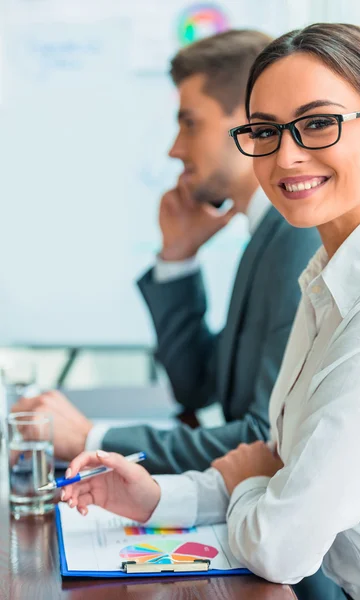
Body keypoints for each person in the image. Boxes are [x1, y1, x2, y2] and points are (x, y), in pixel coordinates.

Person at [61, 22, 360, 600]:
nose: (286, 154)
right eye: (265, 131)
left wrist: (250, 484)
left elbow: (281, 541)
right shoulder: (329, 275)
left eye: (318, 123)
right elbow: (275, 464)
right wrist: (156, 498)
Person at [12, 30, 320, 474]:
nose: (175, 149)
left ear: (251, 119)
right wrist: (178, 257)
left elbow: (263, 438)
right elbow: (199, 387)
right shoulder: (266, 234)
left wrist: (90, 439)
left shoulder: (297, 236)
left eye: (189, 123)